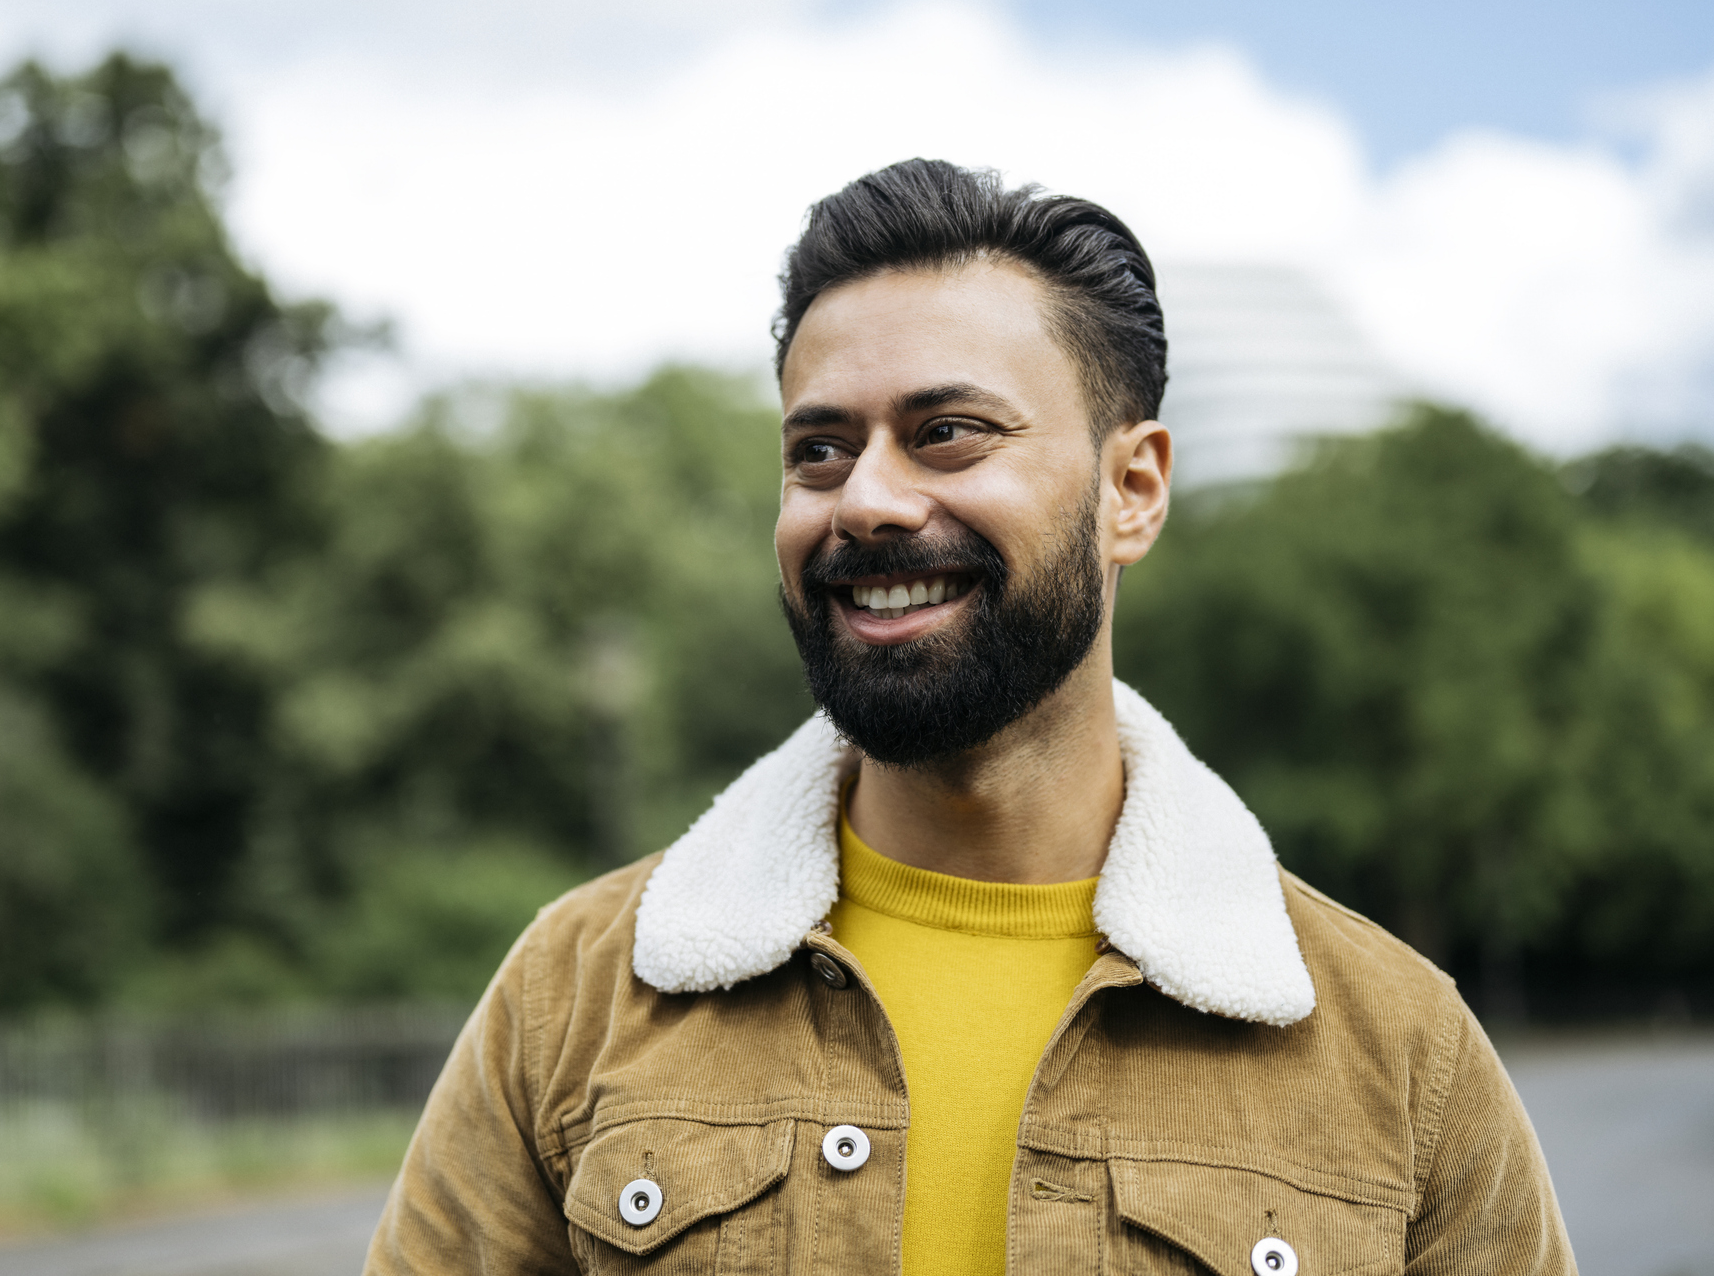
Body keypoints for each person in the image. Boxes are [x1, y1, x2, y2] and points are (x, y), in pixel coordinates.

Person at [365, 159, 1574, 1275]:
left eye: (947, 434)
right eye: (820, 451)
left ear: (1132, 490)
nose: (870, 499)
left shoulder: (1400, 1048)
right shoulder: (573, 993)